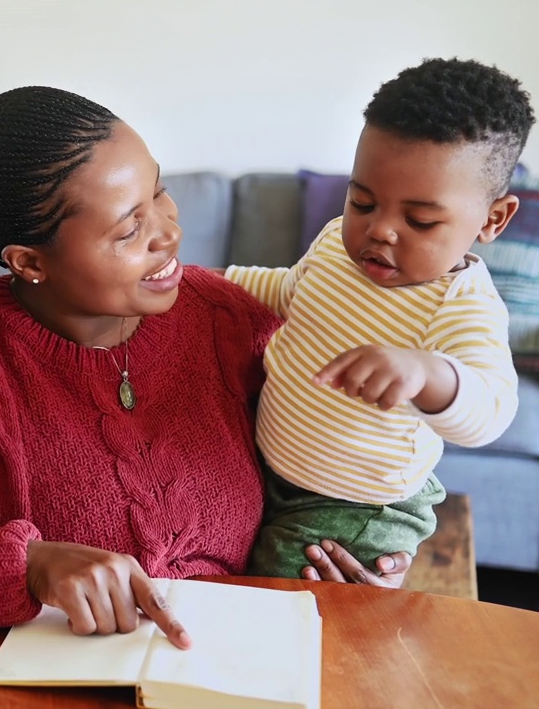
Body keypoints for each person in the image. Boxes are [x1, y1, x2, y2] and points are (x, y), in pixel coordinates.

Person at [0, 86, 410, 648]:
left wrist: (352, 546)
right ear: (28, 262)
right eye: (129, 228)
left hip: (224, 662)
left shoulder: (229, 319)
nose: (168, 232)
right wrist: (28, 565)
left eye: (159, 191)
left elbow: (331, 453)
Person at [225, 58, 531, 578]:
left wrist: (428, 373)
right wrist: (205, 281)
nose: (380, 230)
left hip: (358, 506)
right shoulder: (334, 246)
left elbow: (493, 408)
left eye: (420, 220)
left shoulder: (457, 303)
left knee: (279, 593)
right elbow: (285, 292)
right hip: (275, 467)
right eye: (363, 202)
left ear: (492, 219)